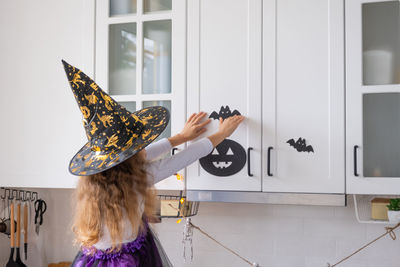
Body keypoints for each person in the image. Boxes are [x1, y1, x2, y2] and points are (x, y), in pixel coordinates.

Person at [61, 60, 244, 266]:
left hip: (93, 259)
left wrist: (180, 137)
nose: (140, 148)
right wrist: (221, 134)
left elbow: (146, 154)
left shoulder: (95, 179)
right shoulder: (140, 176)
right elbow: (184, 158)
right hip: (128, 261)